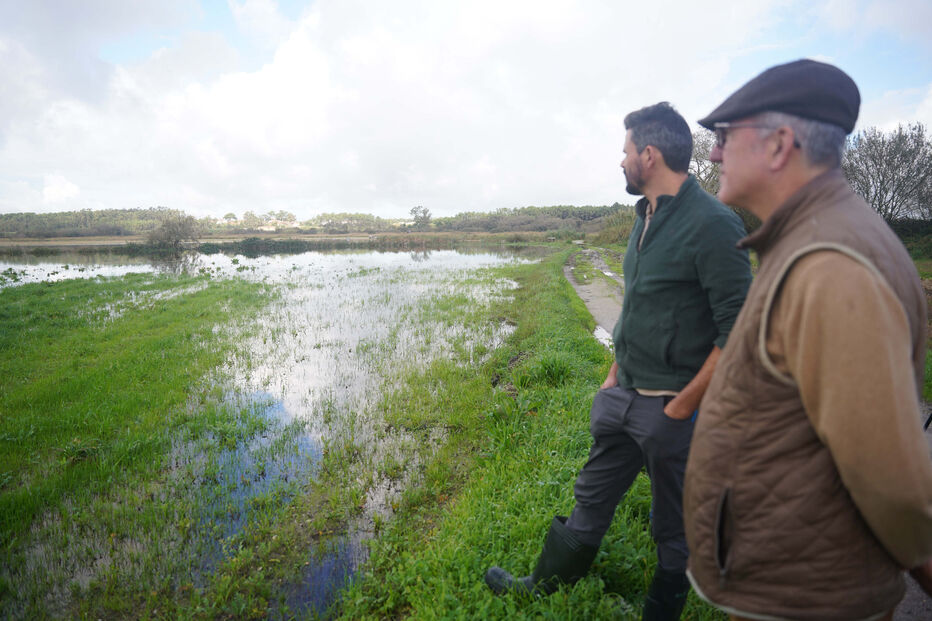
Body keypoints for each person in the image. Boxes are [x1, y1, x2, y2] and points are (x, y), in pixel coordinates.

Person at [683, 59, 932, 621]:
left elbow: (890, 478)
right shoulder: (807, 240)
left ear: (779, 145)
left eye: (724, 137)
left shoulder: (828, 264)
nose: (715, 153)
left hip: (809, 597)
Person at [485, 102, 752, 620]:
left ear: (649, 155)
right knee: (590, 497)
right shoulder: (643, 216)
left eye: (626, 151)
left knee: (673, 525)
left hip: (672, 412)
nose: (621, 160)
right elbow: (639, 303)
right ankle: (539, 586)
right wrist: (612, 378)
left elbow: (738, 331)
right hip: (622, 398)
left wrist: (681, 409)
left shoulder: (715, 224)